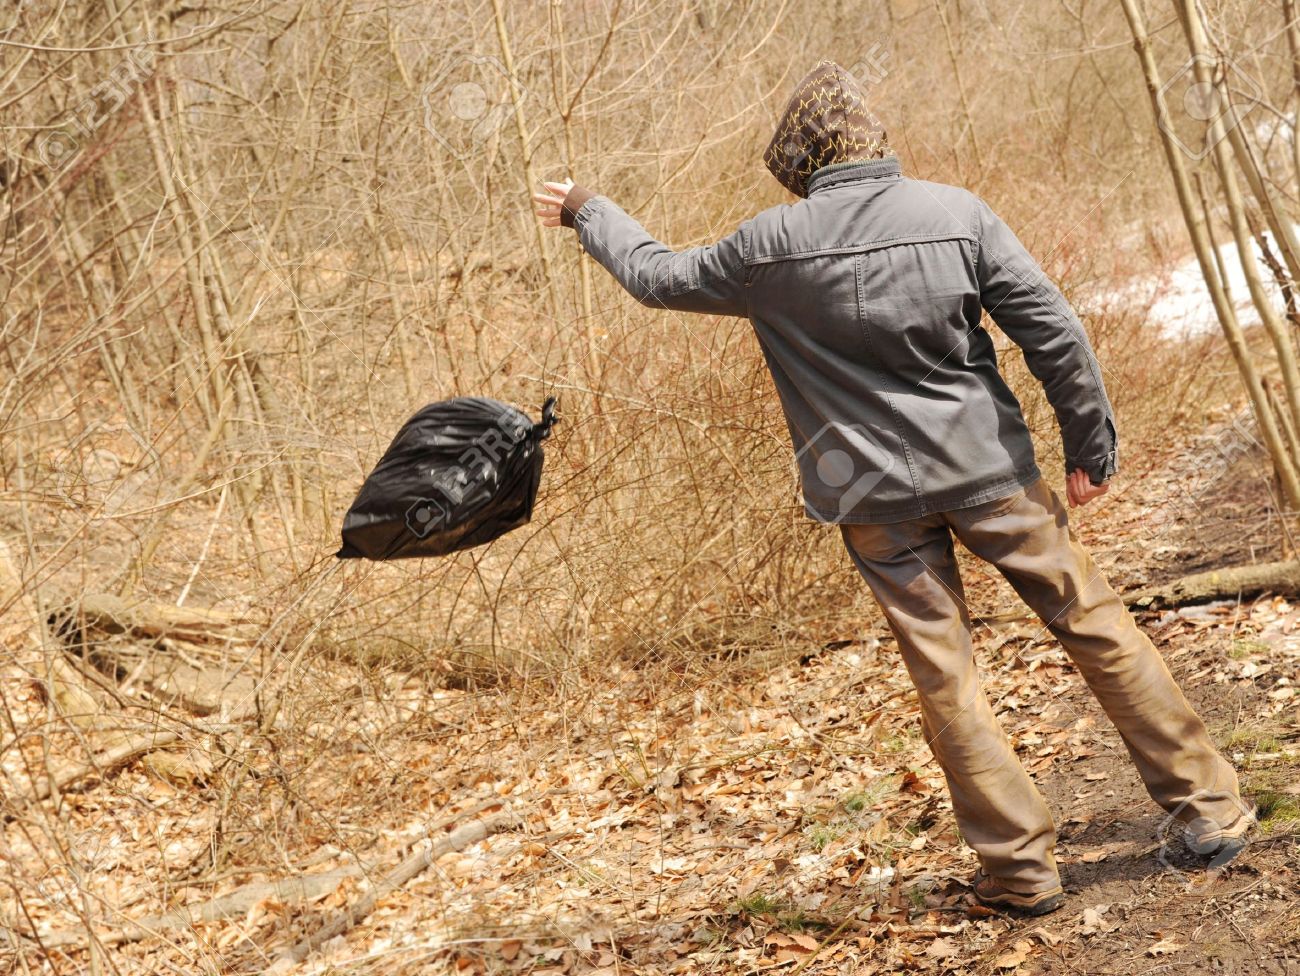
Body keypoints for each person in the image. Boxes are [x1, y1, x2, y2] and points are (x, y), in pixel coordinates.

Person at [532, 60, 1251, 916]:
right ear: (872, 141)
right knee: (1093, 623)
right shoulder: (955, 214)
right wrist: (1089, 442)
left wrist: (589, 210)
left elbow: (655, 276)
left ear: (799, 165)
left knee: (945, 674)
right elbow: (1053, 326)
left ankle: (1020, 873)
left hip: (869, 495)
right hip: (992, 474)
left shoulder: (768, 247)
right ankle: (1208, 809)